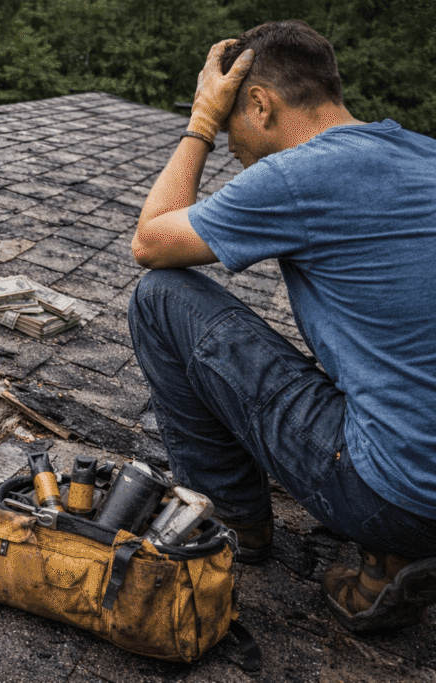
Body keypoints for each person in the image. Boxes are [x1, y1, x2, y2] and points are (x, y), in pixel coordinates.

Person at [127, 19, 436, 633]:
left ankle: (235, 523)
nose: (233, 143)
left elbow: (150, 241)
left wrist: (200, 124)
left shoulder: (300, 175)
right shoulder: (424, 153)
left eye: (231, 116)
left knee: (161, 297)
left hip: (397, 492)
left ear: (260, 104)